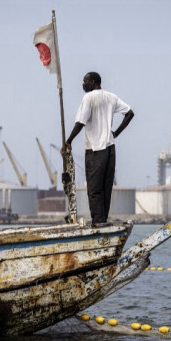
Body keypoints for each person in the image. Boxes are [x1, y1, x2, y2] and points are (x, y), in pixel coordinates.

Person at [64, 72, 134, 226]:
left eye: (85, 81)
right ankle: (102, 221)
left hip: (95, 149)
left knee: (94, 188)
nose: (83, 84)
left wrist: (69, 140)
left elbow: (80, 122)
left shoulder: (88, 98)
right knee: (106, 187)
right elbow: (130, 113)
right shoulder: (111, 97)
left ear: (93, 82)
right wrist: (115, 133)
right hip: (110, 148)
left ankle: (97, 222)